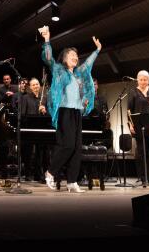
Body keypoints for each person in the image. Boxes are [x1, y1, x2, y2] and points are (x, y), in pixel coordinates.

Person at [39, 25, 100, 193]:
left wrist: (97, 50)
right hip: (65, 111)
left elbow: (88, 64)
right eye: (72, 55)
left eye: (76, 55)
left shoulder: (78, 74)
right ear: (65, 58)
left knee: (76, 147)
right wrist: (47, 40)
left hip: (76, 112)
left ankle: (72, 181)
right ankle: (50, 172)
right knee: (67, 145)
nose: (75, 57)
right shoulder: (59, 70)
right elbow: (48, 58)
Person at [129, 70, 149, 184]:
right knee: (141, 152)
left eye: (145, 79)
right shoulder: (133, 92)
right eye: (141, 79)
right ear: (137, 80)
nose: (143, 82)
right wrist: (131, 124)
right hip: (138, 124)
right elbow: (129, 110)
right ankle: (143, 178)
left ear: (148, 80)